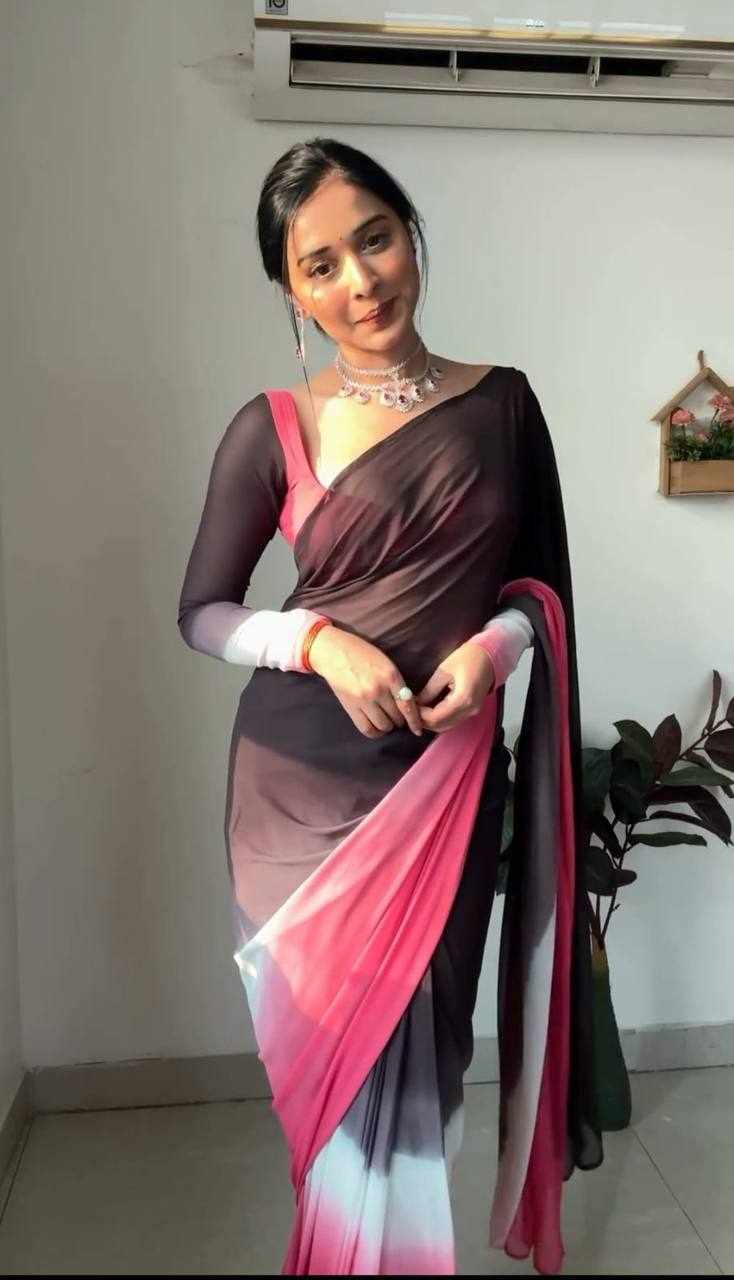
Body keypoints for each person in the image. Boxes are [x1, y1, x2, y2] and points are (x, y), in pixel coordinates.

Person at [177, 137, 603, 1276]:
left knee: (426, 1062)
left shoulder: (502, 405)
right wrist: (318, 642)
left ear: (411, 235)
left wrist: (498, 649)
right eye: (321, 265)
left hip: (445, 783)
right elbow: (203, 612)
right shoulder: (272, 425)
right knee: (336, 1081)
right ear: (291, 291)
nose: (360, 281)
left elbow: (542, 585)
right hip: (297, 800)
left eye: (375, 240)